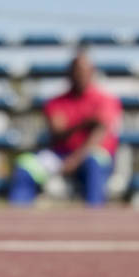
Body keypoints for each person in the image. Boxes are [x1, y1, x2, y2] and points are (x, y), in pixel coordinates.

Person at [8, 50, 122, 207]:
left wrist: (75, 159)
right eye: (76, 71)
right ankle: (18, 216)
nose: (80, 75)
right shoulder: (56, 102)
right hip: (60, 155)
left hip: (92, 155)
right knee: (26, 165)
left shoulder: (106, 100)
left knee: (93, 163)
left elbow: (99, 132)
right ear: (69, 73)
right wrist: (85, 123)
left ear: (92, 72)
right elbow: (57, 132)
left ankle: (95, 217)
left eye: (84, 71)